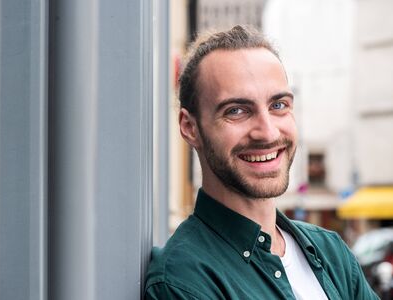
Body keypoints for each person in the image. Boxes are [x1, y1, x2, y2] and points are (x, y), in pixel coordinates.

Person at [144, 25, 378, 299]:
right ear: (190, 127)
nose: (267, 132)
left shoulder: (331, 252)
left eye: (278, 105)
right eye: (236, 111)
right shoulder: (182, 280)